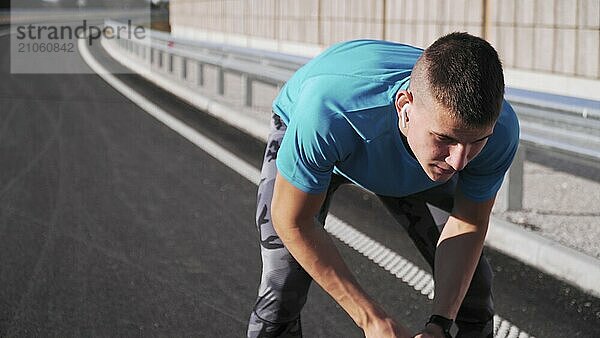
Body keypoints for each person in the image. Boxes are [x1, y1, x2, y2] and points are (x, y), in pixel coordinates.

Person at [247, 32, 520, 338]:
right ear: (406, 107)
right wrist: (372, 320)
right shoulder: (328, 112)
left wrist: (439, 325)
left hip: (403, 151)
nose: (459, 162)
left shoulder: (501, 131)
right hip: (336, 131)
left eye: (476, 142)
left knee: (474, 290)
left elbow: (468, 224)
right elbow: (293, 221)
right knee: (282, 285)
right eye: (445, 139)